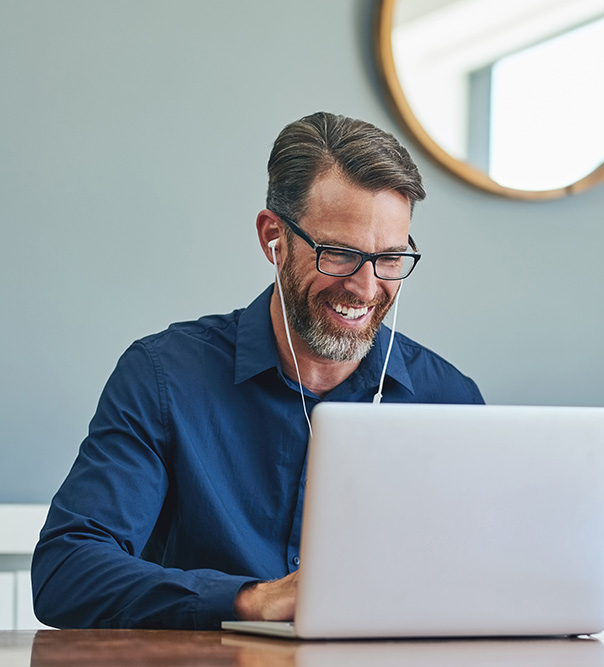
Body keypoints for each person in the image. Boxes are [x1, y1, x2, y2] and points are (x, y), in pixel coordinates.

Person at [31, 112, 484, 630]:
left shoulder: (449, 399)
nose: (365, 286)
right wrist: (250, 600)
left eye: (390, 258)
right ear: (274, 238)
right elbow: (65, 572)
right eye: (338, 254)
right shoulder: (164, 377)